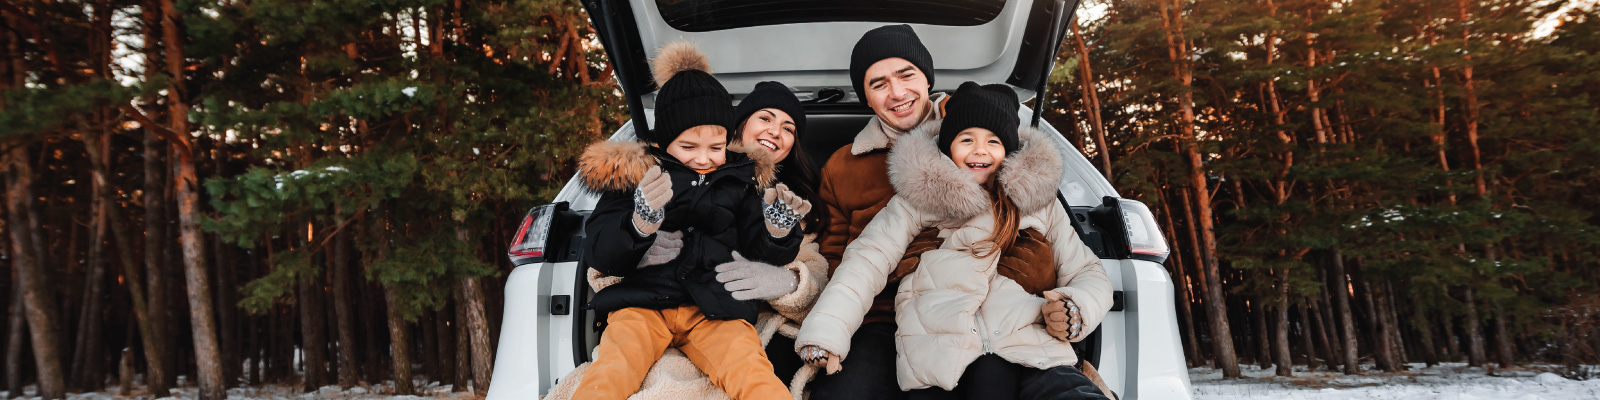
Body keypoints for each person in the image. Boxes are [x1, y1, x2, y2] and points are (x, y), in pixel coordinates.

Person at [796, 82, 1113, 400]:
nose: (980, 150)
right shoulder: (916, 202)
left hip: (1029, 350)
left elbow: (1087, 272)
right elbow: (865, 263)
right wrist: (827, 332)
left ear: (1009, 149)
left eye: (993, 141)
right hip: (940, 355)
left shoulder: (1040, 204)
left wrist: (1075, 308)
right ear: (948, 146)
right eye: (967, 139)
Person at [569, 41, 811, 400]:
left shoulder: (741, 182)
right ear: (665, 142)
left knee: (753, 373)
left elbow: (760, 253)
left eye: (715, 148)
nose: (703, 158)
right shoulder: (636, 177)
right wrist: (639, 224)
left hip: (715, 309)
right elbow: (600, 252)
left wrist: (777, 233)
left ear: (727, 140)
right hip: (642, 305)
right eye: (689, 147)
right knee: (612, 372)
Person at [809, 23, 949, 399]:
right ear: (867, 100)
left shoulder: (976, 138)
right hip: (878, 317)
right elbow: (832, 256)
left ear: (927, 79)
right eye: (879, 84)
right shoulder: (841, 166)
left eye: (907, 75)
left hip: (964, 308)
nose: (897, 93)